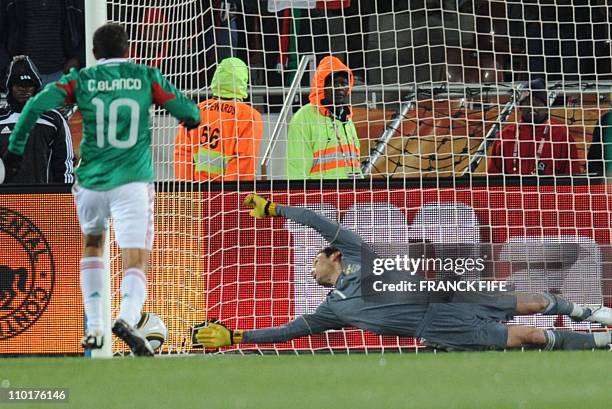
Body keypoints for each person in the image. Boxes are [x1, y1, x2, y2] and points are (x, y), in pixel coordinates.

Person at [194, 194, 612, 351]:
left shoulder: (357, 251)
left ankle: (592, 314)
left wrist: (276, 209)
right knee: (532, 335)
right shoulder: (331, 311)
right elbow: (288, 332)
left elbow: (319, 223)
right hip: (440, 326)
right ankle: (602, 343)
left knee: (538, 301)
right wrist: (237, 336)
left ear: (333, 256)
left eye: (315, 260)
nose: (312, 267)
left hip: (450, 293)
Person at [2, 23, 200, 356]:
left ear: (94, 54)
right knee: (135, 257)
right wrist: (191, 118)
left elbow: (35, 106)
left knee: (93, 247)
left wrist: (17, 150)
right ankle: (126, 316)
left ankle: (94, 325)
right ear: (128, 51)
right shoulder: (145, 76)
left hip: (91, 181)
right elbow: (187, 111)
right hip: (131, 181)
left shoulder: (81, 80)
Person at [174, 57, 263, 181]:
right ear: (243, 81)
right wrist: (227, 196)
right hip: (227, 195)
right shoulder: (249, 117)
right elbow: (244, 162)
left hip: (197, 192)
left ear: (216, 78)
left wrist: (188, 190)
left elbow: (182, 154)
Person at [0, 55, 74, 183]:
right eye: (19, 85)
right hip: (5, 199)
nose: (24, 89)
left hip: (41, 198)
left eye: (29, 85)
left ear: (36, 87)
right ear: (10, 87)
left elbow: (64, 164)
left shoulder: (53, 119)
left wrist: (66, 194)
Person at [286, 55, 362, 179]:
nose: (339, 89)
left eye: (344, 83)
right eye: (334, 83)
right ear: (321, 85)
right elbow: (297, 168)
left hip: (350, 194)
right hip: (320, 196)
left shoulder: (346, 118)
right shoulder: (303, 118)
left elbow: (356, 164)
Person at [488, 78, 580, 176]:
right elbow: (493, 177)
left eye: (537, 103)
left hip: (549, 190)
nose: (533, 107)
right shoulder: (506, 135)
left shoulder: (561, 136)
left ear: (546, 108)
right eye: (528, 103)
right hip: (512, 190)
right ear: (520, 108)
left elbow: (572, 177)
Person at [0, 0, 85, 87]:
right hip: (22, 75)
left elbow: (90, 30)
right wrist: (8, 65)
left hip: (62, 73)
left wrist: (77, 59)